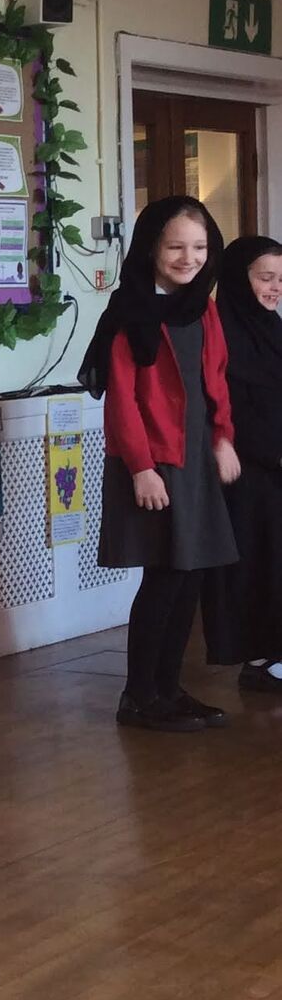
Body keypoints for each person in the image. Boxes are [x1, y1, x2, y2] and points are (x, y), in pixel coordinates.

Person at [80, 194, 240, 731]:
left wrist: (224, 438)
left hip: (197, 459)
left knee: (192, 574)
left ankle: (169, 689)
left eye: (199, 247)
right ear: (151, 248)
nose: (188, 258)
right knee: (165, 576)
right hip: (154, 462)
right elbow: (123, 402)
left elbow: (216, 382)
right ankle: (139, 696)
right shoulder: (131, 312)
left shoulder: (204, 309)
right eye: (175, 247)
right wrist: (141, 467)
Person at [201, 236, 282, 692]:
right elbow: (227, 408)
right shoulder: (220, 333)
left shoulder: (272, 328)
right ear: (238, 279)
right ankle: (259, 659)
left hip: (274, 469)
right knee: (256, 565)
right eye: (266, 278)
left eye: (281, 280)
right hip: (246, 471)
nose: (275, 289)